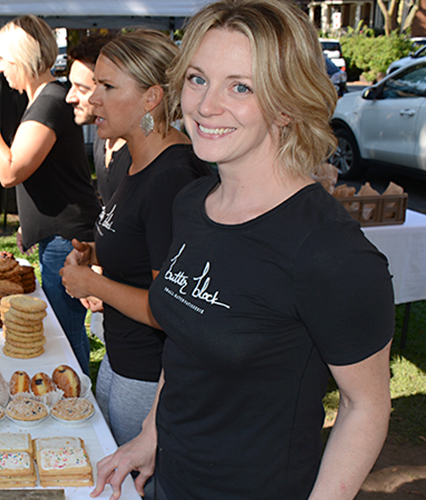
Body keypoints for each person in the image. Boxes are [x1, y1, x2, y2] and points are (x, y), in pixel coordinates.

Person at [92, 1, 395, 499]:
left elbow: (366, 407)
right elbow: (185, 340)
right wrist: (150, 435)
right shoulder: (191, 202)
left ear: (285, 102)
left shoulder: (328, 252)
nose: (206, 106)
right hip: (169, 481)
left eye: (240, 87)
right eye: (196, 79)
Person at [59, 30, 212, 499]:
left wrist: (92, 284)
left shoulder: (173, 178)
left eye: (107, 87)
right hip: (120, 362)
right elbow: (136, 246)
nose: (91, 98)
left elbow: (172, 309)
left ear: (151, 97)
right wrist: (94, 256)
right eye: (94, 86)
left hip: (148, 378)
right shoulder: (129, 158)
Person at [0, 15, 101, 374]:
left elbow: (10, 171)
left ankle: (75, 397)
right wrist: (32, 225)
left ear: (24, 59)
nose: (0, 69)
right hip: (57, 235)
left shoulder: (49, 102)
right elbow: (51, 174)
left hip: (66, 240)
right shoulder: (46, 99)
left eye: (5, 60)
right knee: (64, 330)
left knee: (65, 334)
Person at [65, 33, 130, 207]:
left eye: (82, 89)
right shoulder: (102, 136)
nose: (69, 98)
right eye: (71, 85)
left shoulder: (152, 154)